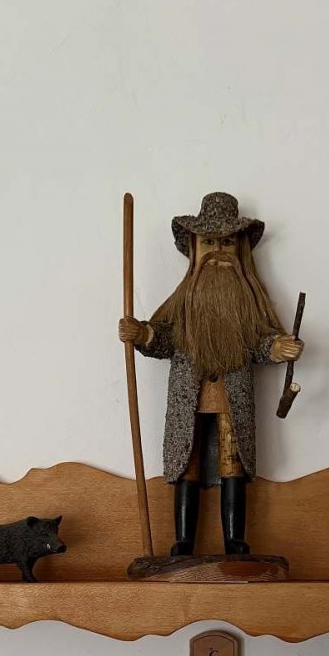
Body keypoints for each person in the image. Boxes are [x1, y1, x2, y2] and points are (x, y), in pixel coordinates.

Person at [118, 192, 303, 556]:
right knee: (185, 462)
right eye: (209, 242)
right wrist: (144, 334)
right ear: (194, 246)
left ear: (240, 249)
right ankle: (183, 543)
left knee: (234, 463)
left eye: (227, 243)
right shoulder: (183, 303)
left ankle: (235, 542)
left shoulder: (247, 304)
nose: (218, 251)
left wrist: (277, 347)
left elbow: (258, 342)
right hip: (188, 399)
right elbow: (166, 338)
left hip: (233, 399)